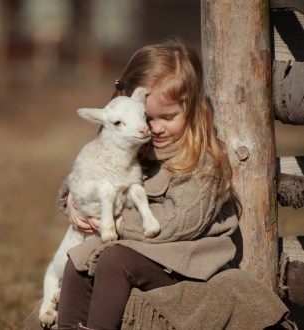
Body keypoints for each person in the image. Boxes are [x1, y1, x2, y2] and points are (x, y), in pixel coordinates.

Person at [50, 37, 239, 330]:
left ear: (191, 109)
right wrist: (75, 201)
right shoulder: (134, 145)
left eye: (169, 117)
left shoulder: (202, 163)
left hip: (185, 265)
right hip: (141, 254)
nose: (155, 128)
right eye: (148, 118)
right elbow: (89, 171)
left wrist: (117, 219)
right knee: (80, 258)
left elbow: (182, 223)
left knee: (113, 260)